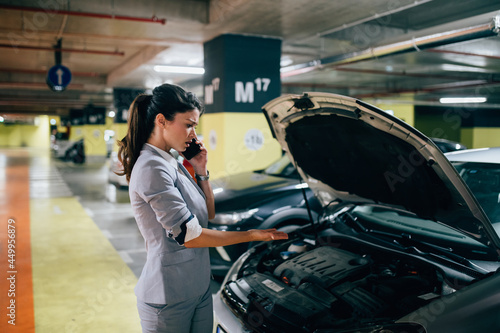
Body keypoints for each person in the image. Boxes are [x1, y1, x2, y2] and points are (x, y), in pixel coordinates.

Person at [117, 83, 288, 333]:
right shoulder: (151, 167)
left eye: (195, 126)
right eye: (188, 124)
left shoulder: (171, 161)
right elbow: (189, 235)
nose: (193, 133)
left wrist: (200, 169)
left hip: (197, 286)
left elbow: (208, 215)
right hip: (168, 295)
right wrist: (251, 235)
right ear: (161, 121)